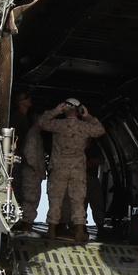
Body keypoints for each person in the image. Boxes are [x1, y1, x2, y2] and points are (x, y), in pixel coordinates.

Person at [37, 98, 105, 242]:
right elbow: (100, 130)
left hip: (59, 167)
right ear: (79, 111)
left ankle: (51, 231)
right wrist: (87, 116)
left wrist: (55, 111)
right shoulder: (85, 126)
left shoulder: (58, 125)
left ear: (66, 110)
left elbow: (41, 123)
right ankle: (80, 232)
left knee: (56, 200)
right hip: (77, 169)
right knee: (78, 200)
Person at [17, 111, 46, 234]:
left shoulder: (35, 134)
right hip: (32, 172)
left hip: (33, 172)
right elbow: (29, 153)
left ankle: (27, 222)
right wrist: (35, 168)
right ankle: (26, 223)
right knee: (30, 198)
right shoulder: (33, 134)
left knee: (33, 197)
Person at [9, 90, 32, 211]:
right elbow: (12, 135)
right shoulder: (18, 117)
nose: (29, 99)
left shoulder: (24, 117)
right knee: (15, 184)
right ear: (19, 102)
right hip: (16, 156)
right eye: (26, 97)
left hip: (20, 155)